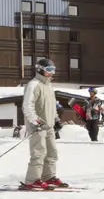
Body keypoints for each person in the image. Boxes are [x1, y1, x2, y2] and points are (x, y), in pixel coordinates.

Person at [20, 58, 65, 191]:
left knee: (52, 152)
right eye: (49, 70)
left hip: (49, 125)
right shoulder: (33, 84)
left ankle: (48, 176)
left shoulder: (49, 85)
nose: (52, 73)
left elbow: (52, 106)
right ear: (40, 69)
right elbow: (27, 106)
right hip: (37, 126)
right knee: (39, 152)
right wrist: (35, 121)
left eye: (53, 70)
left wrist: (56, 119)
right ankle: (32, 180)